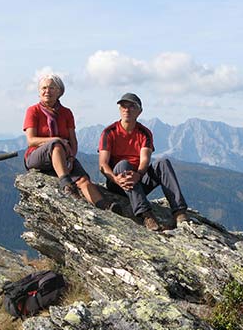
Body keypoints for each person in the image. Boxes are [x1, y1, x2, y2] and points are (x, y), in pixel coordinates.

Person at [98, 92, 189, 231]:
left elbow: (145, 159)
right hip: (117, 181)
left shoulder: (144, 133)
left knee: (163, 163)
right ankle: (146, 215)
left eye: (131, 107)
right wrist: (116, 179)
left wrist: (139, 174)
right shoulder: (109, 132)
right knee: (123, 164)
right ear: (119, 109)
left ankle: (179, 212)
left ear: (139, 111)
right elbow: (103, 165)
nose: (127, 110)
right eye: (123, 106)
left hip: (138, 180)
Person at [23, 74, 114, 210]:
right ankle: (67, 185)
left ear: (59, 92)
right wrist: (56, 139)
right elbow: (31, 141)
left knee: (83, 179)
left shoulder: (66, 113)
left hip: (64, 155)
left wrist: (71, 157)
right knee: (56, 145)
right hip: (36, 156)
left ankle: (105, 207)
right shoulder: (33, 111)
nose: (47, 91)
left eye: (52, 88)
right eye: (44, 88)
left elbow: (73, 140)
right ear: (39, 91)